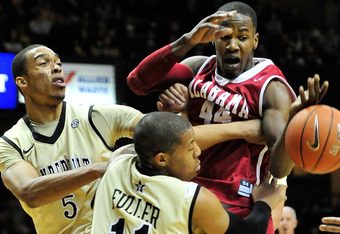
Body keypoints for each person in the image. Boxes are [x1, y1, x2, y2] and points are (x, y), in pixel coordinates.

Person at [126, 1, 328, 233]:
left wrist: (293, 124)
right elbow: (137, 82)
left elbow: (281, 169)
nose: (232, 45)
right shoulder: (198, 68)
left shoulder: (271, 89)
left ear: (255, 40)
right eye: (224, 37)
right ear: (213, 38)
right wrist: (189, 39)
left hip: (238, 204)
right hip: (184, 190)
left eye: (242, 37)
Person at [0, 44, 144, 233]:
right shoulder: (11, 142)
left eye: (58, 63)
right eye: (43, 63)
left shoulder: (98, 117)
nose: (57, 67)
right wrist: (96, 169)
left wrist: (181, 110)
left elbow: (164, 134)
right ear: (22, 82)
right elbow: (30, 193)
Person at [91, 111, 287, 234]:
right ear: (161, 159)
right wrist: (263, 204)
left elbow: (141, 143)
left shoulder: (116, 162)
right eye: (190, 146)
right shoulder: (193, 199)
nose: (198, 151)